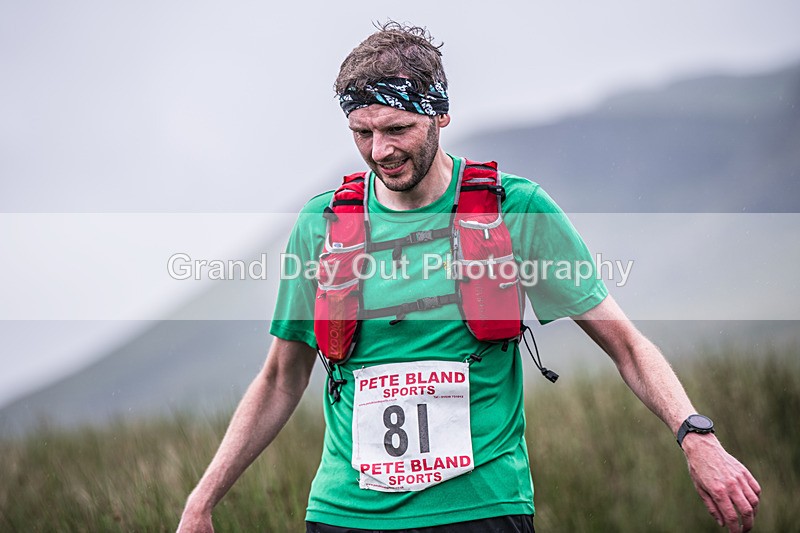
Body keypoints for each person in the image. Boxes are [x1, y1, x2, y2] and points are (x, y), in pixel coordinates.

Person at [177, 21, 761, 533]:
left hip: (480, 512)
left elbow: (627, 347)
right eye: (362, 132)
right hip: (343, 515)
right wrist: (201, 503)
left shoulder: (517, 209)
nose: (379, 150)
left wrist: (696, 436)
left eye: (397, 129)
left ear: (441, 115)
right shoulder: (322, 225)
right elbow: (281, 378)